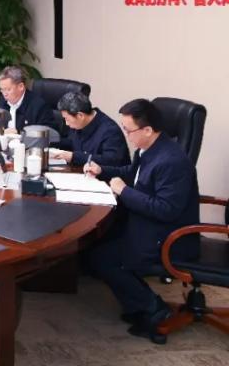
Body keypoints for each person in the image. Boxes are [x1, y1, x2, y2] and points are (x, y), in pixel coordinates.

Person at [83, 98, 199, 343]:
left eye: (128, 130)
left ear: (147, 129)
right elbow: (132, 174)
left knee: (103, 258)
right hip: (147, 224)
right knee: (97, 245)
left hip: (170, 237)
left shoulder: (172, 161)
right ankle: (140, 306)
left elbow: (166, 210)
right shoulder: (148, 149)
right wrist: (102, 170)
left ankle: (152, 308)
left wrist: (124, 191)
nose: (126, 135)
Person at [50, 91, 130, 168]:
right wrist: (49, 143)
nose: (66, 123)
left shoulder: (110, 131)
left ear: (80, 116)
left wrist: (74, 157)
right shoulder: (79, 124)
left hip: (107, 177)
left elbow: (110, 161)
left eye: (66, 119)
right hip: (81, 172)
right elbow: (72, 142)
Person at [0, 66, 58, 134]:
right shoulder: (3, 102)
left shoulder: (38, 106)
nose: (4, 94)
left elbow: (49, 133)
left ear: (21, 86)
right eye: (2, 89)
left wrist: (19, 133)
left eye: (8, 89)